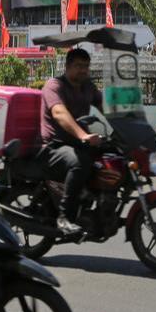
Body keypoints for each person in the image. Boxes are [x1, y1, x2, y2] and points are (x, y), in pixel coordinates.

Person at [39, 47, 104, 239]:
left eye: (86, 66)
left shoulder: (88, 87)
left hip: (77, 143)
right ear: (67, 66)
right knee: (79, 162)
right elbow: (60, 113)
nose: (83, 70)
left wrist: (126, 122)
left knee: (109, 157)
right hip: (53, 146)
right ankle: (64, 217)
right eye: (78, 66)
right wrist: (82, 135)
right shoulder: (54, 86)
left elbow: (106, 107)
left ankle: (91, 204)